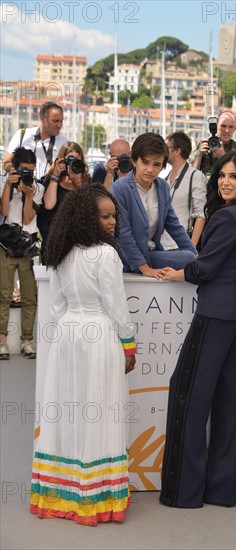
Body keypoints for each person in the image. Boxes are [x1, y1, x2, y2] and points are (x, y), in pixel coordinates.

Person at [159, 151, 236, 508]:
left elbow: (204, 268)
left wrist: (180, 273)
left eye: (234, 176)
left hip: (216, 315)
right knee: (228, 401)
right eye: (221, 175)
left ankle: (185, 492)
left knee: (188, 394)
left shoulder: (226, 217)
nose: (225, 182)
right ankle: (220, 490)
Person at [30, 183, 136, 526]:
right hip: (100, 336)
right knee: (99, 412)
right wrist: (128, 345)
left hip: (68, 336)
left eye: (114, 216)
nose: (112, 223)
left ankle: (60, 493)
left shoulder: (61, 251)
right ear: (86, 219)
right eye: (105, 216)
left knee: (68, 412)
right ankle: (94, 497)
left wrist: (73, 326)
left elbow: (58, 305)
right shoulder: (106, 255)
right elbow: (116, 306)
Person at [111, 133, 196, 279]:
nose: (150, 169)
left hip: (151, 252)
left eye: (156, 164)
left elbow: (174, 225)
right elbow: (123, 235)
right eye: (145, 162)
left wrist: (196, 255)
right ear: (134, 160)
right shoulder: (120, 188)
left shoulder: (162, 186)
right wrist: (145, 269)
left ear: (163, 166)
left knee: (190, 256)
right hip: (127, 257)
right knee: (187, 258)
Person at [0, 148, 44, 360]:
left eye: (31, 171)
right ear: (15, 168)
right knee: (3, 294)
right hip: (5, 246)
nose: (27, 175)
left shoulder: (38, 188)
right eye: (23, 170)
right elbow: (4, 212)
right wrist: (9, 185)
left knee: (29, 296)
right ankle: (2, 342)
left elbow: (28, 219)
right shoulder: (4, 183)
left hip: (27, 246)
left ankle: (26, 341)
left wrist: (28, 194)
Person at [38, 141, 91, 263]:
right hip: (55, 242)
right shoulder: (51, 179)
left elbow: (87, 208)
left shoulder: (87, 182)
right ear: (61, 160)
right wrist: (55, 177)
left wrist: (78, 182)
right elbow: (49, 205)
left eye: (76, 160)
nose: (72, 163)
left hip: (78, 242)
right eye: (69, 159)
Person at [161, 132, 207, 250]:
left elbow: (201, 215)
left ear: (177, 151)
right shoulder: (165, 177)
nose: (163, 152)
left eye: (166, 148)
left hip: (179, 246)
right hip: (160, 245)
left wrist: (191, 247)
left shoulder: (195, 176)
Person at [4, 101, 67, 180]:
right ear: (42, 118)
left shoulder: (65, 144)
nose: (60, 125)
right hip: (20, 189)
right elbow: (6, 162)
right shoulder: (22, 135)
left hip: (49, 190)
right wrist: (19, 171)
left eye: (61, 121)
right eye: (55, 121)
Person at [193, 111, 236, 178]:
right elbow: (192, 176)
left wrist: (223, 157)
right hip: (207, 187)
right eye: (223, 126)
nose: (227, 130)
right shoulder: (205, 145)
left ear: (235, 129)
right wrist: (199, 155)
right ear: (216, 126)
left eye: (230, 127)